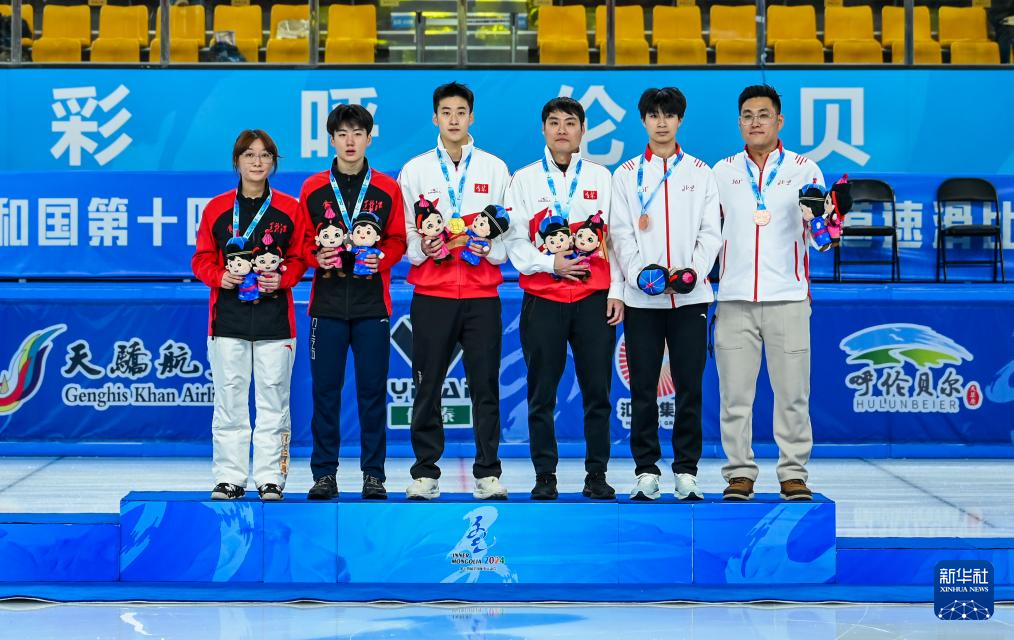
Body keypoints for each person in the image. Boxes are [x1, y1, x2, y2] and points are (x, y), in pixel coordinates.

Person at [504, 96, 623, 500]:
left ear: (582, 130)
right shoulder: (524, 179)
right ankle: (545, 476)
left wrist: (617, 291)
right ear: (543, 129)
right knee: (541, 394)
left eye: (570, 122)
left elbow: (616, 240)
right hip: (544, 296)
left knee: (597, 392)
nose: (561, 129)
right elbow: (515, 240)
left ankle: (596, 475)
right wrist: (549, 263)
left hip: (593, 297)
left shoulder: (602, 178)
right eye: (553, 122)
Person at [712, 85, 826, 501]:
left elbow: (821, 240)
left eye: (763, 115)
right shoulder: (721, 172)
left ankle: (793, 473)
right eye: (748, 115)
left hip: (788, 300)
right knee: (734, 398)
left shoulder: (805, 169)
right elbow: (706, 233)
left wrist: (825, 221)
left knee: (793, 395)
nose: (755, 122)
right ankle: (739, 473)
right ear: (739, 123)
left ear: (779, 121)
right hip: (734, 299)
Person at [398, 82, 511, 500]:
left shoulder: (495, 169)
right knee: (427, 385)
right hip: (433, 292)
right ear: (435, 118)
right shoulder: (415, 170)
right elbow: (406, 236)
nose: (453, 119)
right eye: (446, 112)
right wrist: (423, 249)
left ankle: (488, 473)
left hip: (482, 294)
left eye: (461, 112)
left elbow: (507, 232)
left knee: (485, 385)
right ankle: (425, 472)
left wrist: (489, 249)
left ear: (471, 117)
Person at [610, 88, 721, 501]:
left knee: (689, 386)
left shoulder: (700, 172)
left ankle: (687, 470)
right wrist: (642, 276)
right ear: (643, 120)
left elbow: (711, 232)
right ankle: (645, 470)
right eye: (654, 115)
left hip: (691, 298)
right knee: (643, 387)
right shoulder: (626, 174)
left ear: (680, 120)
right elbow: (620, 233)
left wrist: (693, 272)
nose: (661, 122)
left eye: (669, 115)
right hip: (643, 299)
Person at [191, 129, 308, 501]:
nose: (257, 162)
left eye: (265, 155)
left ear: (273, 162)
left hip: (277, 322)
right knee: (230, 401)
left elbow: (301, 258)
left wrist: (283, 278)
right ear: (237, 161)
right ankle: (230, 478)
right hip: (227, 320)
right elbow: (201, 259)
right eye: (249, 155)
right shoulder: (216, 209)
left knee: (275, 402)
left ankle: (272, 478)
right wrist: (220, 276)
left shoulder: (290, 208)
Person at [298, 105, 407, 501]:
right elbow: (301, 242)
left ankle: (373, 475)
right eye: (342, 134)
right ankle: (324, 474)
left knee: (372, 393)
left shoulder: (386, 188)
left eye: (357, 133)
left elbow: (398, 239)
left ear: (368, 138)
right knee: (325, 393)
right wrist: (316, 257)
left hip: (371, 307)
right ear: (331, 139)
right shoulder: (313, 188)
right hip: (326, 306)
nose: (350, 141)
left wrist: (384, 258)